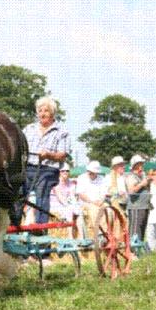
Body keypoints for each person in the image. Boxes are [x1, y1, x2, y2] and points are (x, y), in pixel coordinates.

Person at [22, 97, 70, 225]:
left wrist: (48, 155)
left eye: (46, 111)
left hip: (48, 170)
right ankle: (14, 224)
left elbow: (62, 155)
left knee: (42, 191)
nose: (42, 114)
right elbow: (19, 146)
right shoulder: (28, 129)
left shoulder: (61, 132)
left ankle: (40, 228)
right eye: (40, 111)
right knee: (18, 192)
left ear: (52, 113)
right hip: (28, 168)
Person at [76, 161, 107, 239]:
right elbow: (81, 194)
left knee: (109, 210)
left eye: (92, 172)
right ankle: (98, 232)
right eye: (89, 171)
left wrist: (101, 201)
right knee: (93, 209)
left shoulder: (102, 179)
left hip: (99, 202)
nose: (90, 173)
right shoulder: (81, 178)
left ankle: (107, 232)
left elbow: (104, 193)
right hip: (86, 203)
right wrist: (92, 202)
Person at [125, 155, 151, 241]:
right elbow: (131, 192)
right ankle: (132, 251)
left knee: (142, 230)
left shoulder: (142, 175)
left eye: (142, 164)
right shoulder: (130, 176)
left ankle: (138, 251)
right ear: (135, 165)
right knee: (135, 231)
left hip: (144, 206)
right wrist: (142, 184)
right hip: (135, 207)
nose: (142, 165)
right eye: (140, 163)